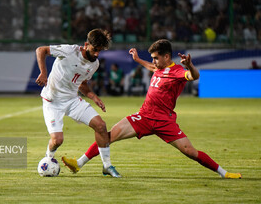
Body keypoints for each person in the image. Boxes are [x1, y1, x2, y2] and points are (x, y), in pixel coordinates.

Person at [62, 39, 242, 179]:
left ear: (166, 56)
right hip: (144, 117)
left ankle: (224, 173)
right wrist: (138, 60)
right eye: (152, 58)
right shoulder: (158, 67)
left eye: (156, 57)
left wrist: (190, 66)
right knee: (107, 136)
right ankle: (78, 163)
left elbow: (193, 76)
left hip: (165, 121)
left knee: (190, 152)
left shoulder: (178, 71)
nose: (153, 61)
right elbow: (151, 67)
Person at [35, 28, 121, 178]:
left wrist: (94, 97)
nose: (96, 54)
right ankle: (48, 158)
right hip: (52, 101)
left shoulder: (94, 64)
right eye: (95, 49)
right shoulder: (69, 51)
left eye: (100, 51)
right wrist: (43, 72)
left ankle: (107, 166)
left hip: (72, 100)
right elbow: (41, 50)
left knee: (101, 126)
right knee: (57, 140)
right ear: (86, 44)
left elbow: (82, 84)